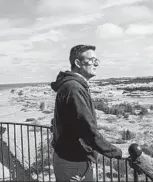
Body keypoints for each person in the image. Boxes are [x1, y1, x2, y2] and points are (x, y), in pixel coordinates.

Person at [51, 45, 122, 181]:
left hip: (69, 158)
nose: (96, 64)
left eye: (97, 60)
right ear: (78, 63)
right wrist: (115, 152)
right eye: (92, 60)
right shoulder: (74, 88)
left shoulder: (71, 85)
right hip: (73, 161)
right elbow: (87, 128)